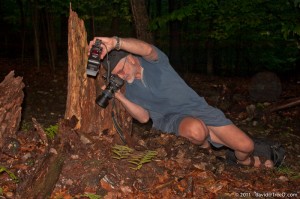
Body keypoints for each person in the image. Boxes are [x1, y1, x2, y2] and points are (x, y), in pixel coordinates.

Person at [88, 36, 274, 168]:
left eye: (121, 70)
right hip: (172, 120)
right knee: (196, 131)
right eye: (116, 75)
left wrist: (115, 42)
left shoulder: (155, 63)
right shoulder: (128, 88)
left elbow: (148, 49)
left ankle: (242, 162)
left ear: (131, 59)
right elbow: (144, 118)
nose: (121, 76)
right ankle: (205, 148)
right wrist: (119, 96)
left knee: (246, 147)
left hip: (199, 109)